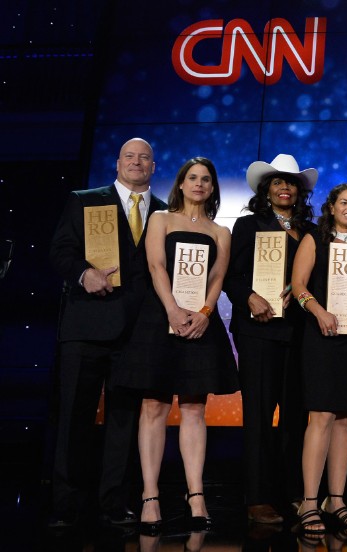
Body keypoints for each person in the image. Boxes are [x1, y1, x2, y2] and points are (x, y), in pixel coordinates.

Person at [115, 156, 239, 533]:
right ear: (181, 184)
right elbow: (156, 266)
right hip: (160, 320)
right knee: (153, 406)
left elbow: (218, 276)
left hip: (201, 323)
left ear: (212, 188)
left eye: (206, 179)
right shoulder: (161, 219)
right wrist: (171, 309)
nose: (199, 184)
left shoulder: (221, 232)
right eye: (192, 178)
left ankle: (195, 494)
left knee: (194, 408)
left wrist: (203, 312)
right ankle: (150, 495)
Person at [48, 137, 167, 527]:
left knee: (124, 420)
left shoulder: (166, 213)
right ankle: (66, 505)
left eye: (144, 158)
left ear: (153, 167)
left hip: (138, 333)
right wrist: (84, 274)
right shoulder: (85, 200)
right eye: (129, 157)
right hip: (86, 327)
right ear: (117, 163)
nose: (136, 162)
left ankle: (114, 503)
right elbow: (60, 251)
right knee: (73, 419)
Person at [224, 154, 318, 524]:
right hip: (258, 331)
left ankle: (290, 493)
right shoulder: (248, 226)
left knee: (296, 417)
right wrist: (248, 297)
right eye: (277, 182)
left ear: (299, 192)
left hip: (300, 334)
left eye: (290, 183)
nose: (284, 188)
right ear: (266, 190)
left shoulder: (311, 231)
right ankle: (258, 498)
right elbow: (231, 276)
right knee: (260, 417)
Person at [291, 183, 347, 534]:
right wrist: (318, 312)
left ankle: (337, 499)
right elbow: (298, 285)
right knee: (321, 416)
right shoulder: (315, 239)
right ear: (330, 207)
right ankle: (309, 503)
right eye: (344, 202)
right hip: (321, 335)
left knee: (345, 419)